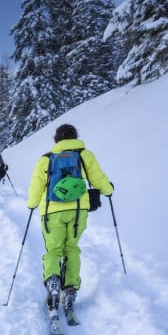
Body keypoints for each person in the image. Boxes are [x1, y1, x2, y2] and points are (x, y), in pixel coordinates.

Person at [26, 124, 114, 316]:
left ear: (56, 139)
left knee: (53, 249)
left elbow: (36, 186)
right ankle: (71, 288)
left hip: (51, 211)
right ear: (75, 136)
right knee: (72, 248)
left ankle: (53, 283)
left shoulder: (46, 159)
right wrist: (109, 190)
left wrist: (31, 204)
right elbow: (98, 178)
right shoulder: (84, 155)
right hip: (78, 210)